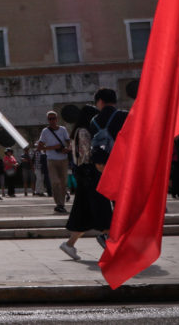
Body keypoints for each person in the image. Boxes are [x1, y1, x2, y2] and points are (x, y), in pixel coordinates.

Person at [59, 105, 109, 261]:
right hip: (90, 175)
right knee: (101, 207)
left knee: (83, 213)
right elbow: (87, 154)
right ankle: (106, 237)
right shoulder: (84, 132)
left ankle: (69, 244)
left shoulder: (77, 131)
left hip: (84, 177)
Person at [37, 111, 70, 213]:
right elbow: (40, 147)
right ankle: (58, 204)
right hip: (51, 159)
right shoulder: (45, 131)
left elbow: (69, 142)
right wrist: (53, 147)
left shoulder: (63, 129)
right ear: (48, 120)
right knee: (55, 182)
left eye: (53, 118)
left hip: (63, 159)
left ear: (57, 119)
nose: (52, 121)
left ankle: (62, 203)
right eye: (50, 119)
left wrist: (67, 149)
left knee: (63, 182)